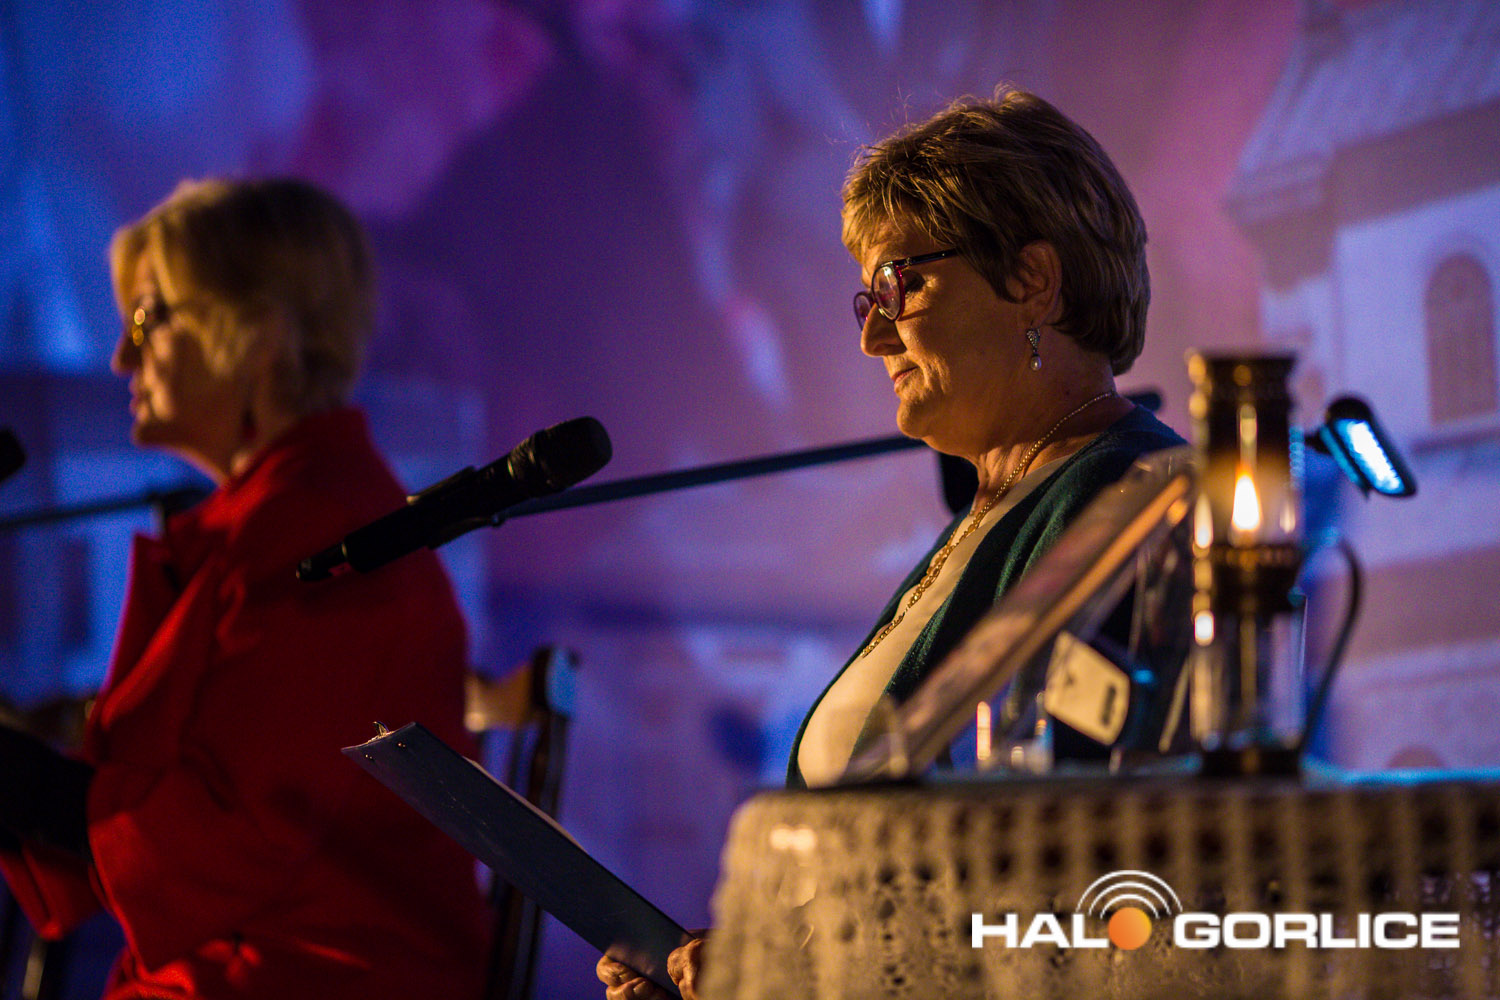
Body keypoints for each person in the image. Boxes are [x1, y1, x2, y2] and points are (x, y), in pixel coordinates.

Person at [597, 86, 1183, 1000]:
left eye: (901, 285)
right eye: (866, 297)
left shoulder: (1128, 499)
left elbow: (1068, 874)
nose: (873, 335)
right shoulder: (988, 518)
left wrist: (793, 970)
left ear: (1032, 280)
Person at [0, 178, 489, 998]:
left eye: (149, 319)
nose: (121, 357)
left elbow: (231, 829)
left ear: (258, 336)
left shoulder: (323, 529)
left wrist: (21, 781)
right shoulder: (275, 515)